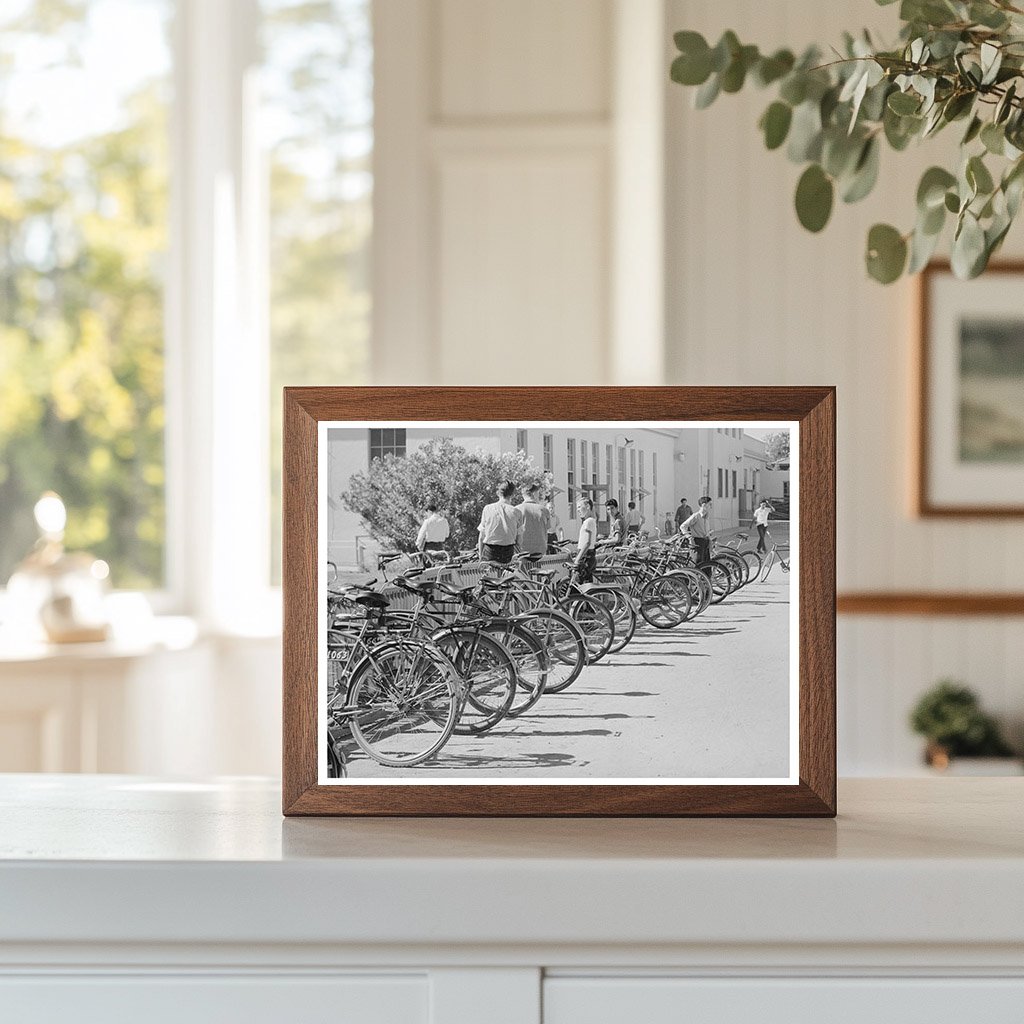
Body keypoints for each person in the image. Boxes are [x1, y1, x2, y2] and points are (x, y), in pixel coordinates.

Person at [477, 480, 523, 565]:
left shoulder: (487, 509)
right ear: (512, 495)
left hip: (490, 552)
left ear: (498, 493)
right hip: (508, 553)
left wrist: (480, 557)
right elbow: (519, 540)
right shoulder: (517, 512)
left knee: (489, 577)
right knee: (507, 576)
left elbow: (481, 537)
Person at [517, 482, 550, 557]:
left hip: (522, 551)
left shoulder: (517, 510)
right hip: (540, 551)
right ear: (534, 493)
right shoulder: (544, 510)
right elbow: (548, 528)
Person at [681, 496, 713, 566]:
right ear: (704, 505)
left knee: (707, 565)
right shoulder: (696, 516)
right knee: (698, 565)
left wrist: (709, 539)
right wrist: (689, 537)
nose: (711, 507)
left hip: (705, 542)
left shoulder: (706, 516)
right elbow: (683, 526)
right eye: (710, 504)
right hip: (697, 542)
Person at [574, 496, 598, 582]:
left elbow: (587, 543)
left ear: (587, 506)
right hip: (589, 555)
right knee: (586, 584)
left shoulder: (588, 521)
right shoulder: (592, 521)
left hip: (585, 557)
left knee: (578, 585)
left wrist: (577, 559)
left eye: (579, 507)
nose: (578, 510)